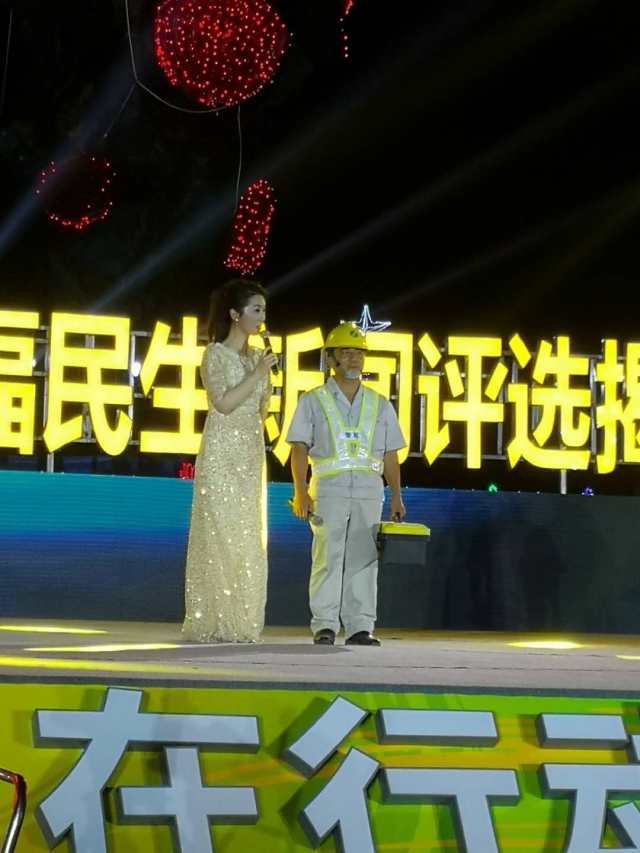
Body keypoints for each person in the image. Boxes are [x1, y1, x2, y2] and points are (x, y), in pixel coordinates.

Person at [286, 322, 407, 646]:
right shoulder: (313, 401)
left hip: (369, 490)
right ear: (330, 358)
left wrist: (396, 495)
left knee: (364, 560)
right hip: (328, 489)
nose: (354, 358)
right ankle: (324, 625)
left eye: (359, 353)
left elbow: (391, 454)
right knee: (327, 558)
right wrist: (300, 491)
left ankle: (360, 627)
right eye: (346, 352)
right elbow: (299, 448)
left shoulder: (380, 403)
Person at [182, 279, 277, 643]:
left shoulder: (256, 357)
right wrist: (258, 375)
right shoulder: (215, 355)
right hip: (221, 450)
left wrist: (262, 376)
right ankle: (214, 620)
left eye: (264, 310)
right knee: (220, 532)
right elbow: (222, 403)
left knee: (247, 535)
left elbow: (262, 408)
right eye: (256, 309)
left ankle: (243, 621)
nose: (262, 317)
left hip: (250, 452)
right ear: (235, 315)